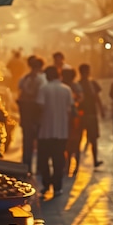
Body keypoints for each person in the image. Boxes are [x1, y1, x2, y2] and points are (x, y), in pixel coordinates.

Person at [36, 65, 73, 198]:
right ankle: (57, 186)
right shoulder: (66, 90)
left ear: (47, 76)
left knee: (43, 159)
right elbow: (70, 110)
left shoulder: (44, 89)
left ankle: (46, 184)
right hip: (61, 131)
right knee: (59, 160)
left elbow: (40, 107)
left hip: (45, 131)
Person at [16, 55, 46, 173]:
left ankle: (27, 167)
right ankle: (36, 167)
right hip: (36, 114)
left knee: (28, 143)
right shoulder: (41, 79)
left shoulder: (25, 79)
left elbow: (20, 96)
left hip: (29, 114)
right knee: (38, 143)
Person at [77, 63, 106, 169]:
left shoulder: (80, 84)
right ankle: (94, 160)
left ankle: (80, 161)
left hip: (85, 114)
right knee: (91, 139)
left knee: (85, 139)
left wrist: (101, 109)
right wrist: (101, 110)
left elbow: (97, 98)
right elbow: (97, 99)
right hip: (88, 114)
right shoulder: (89, 84)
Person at [61, 67, 83, 176]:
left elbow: (80, 99)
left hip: (72, 120)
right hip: (74, 120)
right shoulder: (74, 87)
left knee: (70, 144)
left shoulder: (68, 87)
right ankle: (70, 167)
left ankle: (69, 167)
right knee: (73, 145)